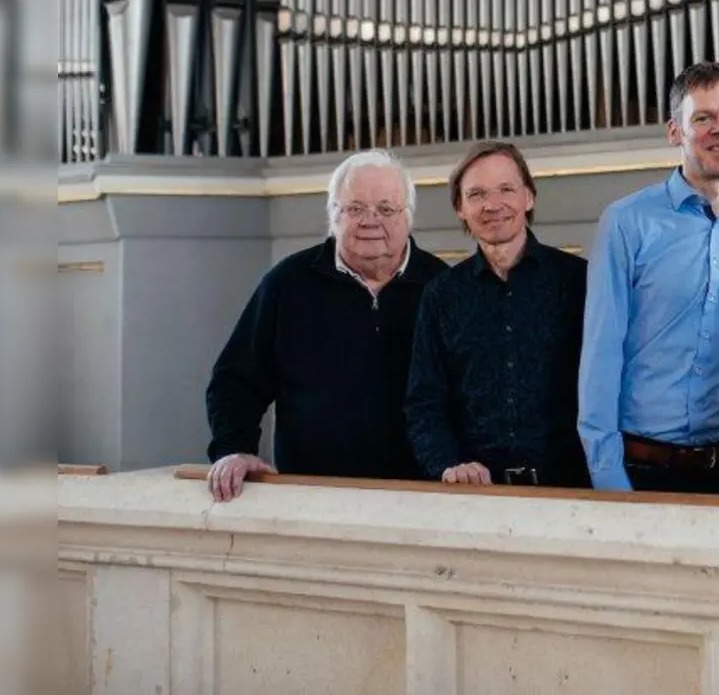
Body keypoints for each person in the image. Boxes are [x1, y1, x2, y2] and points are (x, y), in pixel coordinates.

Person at [578, 61, 719, 494]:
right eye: (703, 117)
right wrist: (609, 481)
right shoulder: (626, 223)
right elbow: (601, 356)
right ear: (675, 132)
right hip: (641, 470)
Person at [204, 149, 449, 501]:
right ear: (333, 215)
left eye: (386, 208)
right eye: (355, 208)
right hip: (309, 495)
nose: (370, 220)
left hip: (420, 495)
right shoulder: (287, 283)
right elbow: (235, 381)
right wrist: (233, 448)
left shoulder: (443, 287)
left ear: (408, 217)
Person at [405, 141, 590, 488]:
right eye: (476, 194)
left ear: (529, 197)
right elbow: (424, 402)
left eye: (506, 189)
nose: (493, 205)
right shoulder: (441, 295)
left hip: (570, 487)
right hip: (476, 494)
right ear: (460, 207)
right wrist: (448, 464)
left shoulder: (579, 280)